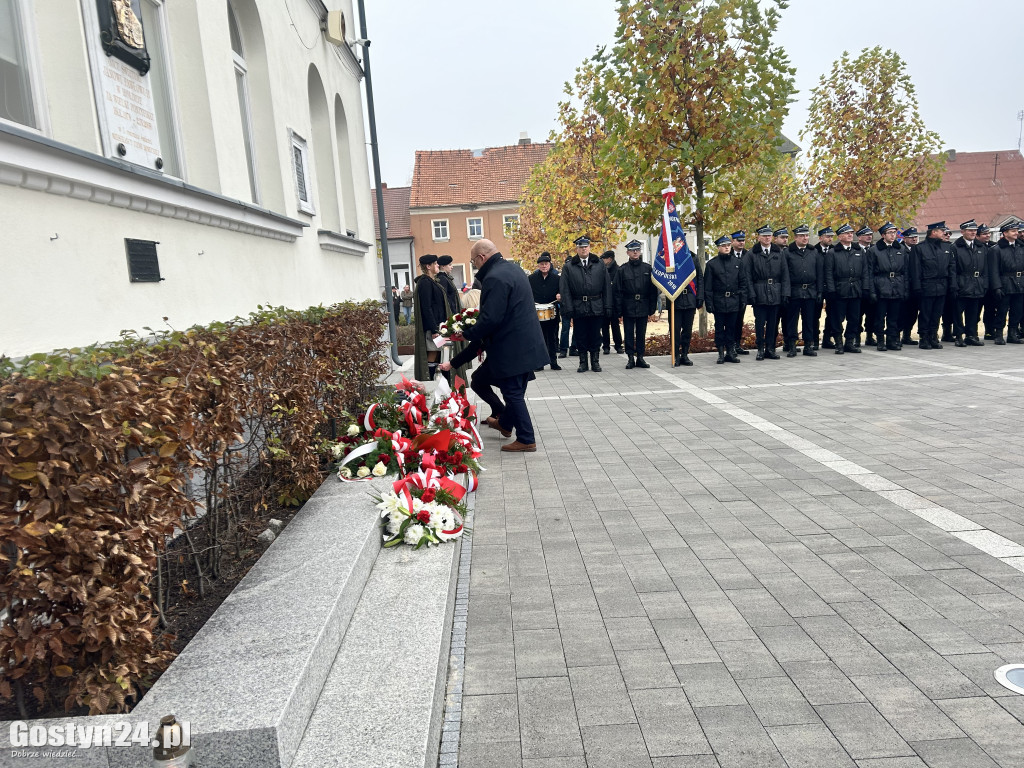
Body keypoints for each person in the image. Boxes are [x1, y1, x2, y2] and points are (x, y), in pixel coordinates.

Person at [453, 239, 548, 453]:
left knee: (512, 393)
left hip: (511, 346)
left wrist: (466, 334)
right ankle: (505, 424)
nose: (475, 266)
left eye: (473, 261)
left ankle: (526, 438)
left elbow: (490, 319)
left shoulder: (494, 278)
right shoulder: (514, 269)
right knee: (516, 390)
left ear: (482, 257)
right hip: (526, 342)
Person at [560, 236, 613, 373]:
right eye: (581, 247)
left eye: (586, 246)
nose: (584, 249)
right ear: (576, 249)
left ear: (590, 248)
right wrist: (568, 308)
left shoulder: (599, 264)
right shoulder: (569, 266)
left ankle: (595, 362)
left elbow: (607, 286)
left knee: (595, 335)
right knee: (580, 335)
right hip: (578, 306)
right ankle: (583, 362)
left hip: (596, 305)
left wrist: (608, 305)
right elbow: (565, 289)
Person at [743, 225, 789, 360]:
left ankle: (770, 348)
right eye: (764, 236)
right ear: (759, 238)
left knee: (773, 323)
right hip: (759, 292)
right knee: (760, 322)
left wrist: (785, 293)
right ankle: (760, 349)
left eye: (769, 235)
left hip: (775, 291)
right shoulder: (752, 254)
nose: (767, 238)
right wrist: (751, 294)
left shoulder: (778, 252)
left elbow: (785, 274)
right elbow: (747, 276)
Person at [824, 224, 869, 354]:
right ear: (839, 237)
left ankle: (850, 342)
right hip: (839, 290)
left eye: (851, 233)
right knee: (837, 318)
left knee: (854, 318)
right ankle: (839, 343)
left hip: (855, 289)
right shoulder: (833, 252)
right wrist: (831, 291)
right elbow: (829, 273)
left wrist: (865, 288)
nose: (850, 235)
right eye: (846, 233)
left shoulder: (858, 251)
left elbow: (865, 271)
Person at [615, 240, 659, 368]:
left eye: (637, 250)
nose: (635, 252)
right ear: (628, 252)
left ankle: (640, 357)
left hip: (643, 304)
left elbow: (653, 290)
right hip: (628, 305)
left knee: (641, 333)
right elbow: (617, 291)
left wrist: (652, 307)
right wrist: (618, 310)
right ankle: (630, 358)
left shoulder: (647, 268)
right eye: (633, 250)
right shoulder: (622, 270)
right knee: (628, 333)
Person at [912, 221, 956, 349]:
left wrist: (952, 285)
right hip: (927, 285)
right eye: (942, 231)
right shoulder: (920, 248)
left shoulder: (946, 247)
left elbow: (951, 268)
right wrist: (917, 287)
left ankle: (933, 336)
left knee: (937, 313)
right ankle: (924, 337)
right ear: (933, 232)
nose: (944, 233)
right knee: (925, 313)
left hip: (942, 285)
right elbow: (915, 269)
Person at [867, 222, 909, 351]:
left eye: (894, 232)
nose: (893, 235)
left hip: (897, 285)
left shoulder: (901, 249)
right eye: (890, 233)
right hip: (881, 286)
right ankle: (880, 340)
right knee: (880, 316)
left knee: (894, 316)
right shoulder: (874, 250)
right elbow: (869, 272)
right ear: (883, 235)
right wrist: (872, 291)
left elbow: (906, 271)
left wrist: (905, 288)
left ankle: (892, 339)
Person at [705, 235, 746, 364]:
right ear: (718, 247)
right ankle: (720, 353)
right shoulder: (712, 264)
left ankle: (730, 352)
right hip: (719, 301)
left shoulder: (738, 263)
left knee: (731, 328)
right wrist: (709, 303)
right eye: (724, 246)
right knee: (719, 328)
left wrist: (742, 300)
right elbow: (708, 286)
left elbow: (743, 283)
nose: (727, 247)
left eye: (728, 245)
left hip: (734, 300)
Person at [783, 225, 822, 357]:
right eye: (802, 236)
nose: (805, 238)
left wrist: (819, 291)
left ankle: (808, 345)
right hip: (794, 291)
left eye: (806, 235)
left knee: (809, 319)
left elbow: (819, 272)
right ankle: (792, 345)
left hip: (810, 290)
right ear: (795, 238)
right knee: (792, 320)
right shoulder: (787, 253)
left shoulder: (813, 252)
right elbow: (785, 275)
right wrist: (786, 292)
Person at [951, 220, 988, 347]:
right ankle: (958, 336)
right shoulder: (955, 247)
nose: (973, 232)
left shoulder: (981, 247)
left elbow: (986, 268)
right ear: (962, 232)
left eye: (974, 230)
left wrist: (985, 284)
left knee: (973, 312)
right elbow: (952, 269)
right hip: (962, 283)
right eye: (970, 230)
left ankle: (971, 335)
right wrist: (954, 285)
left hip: (977, 283)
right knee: (958, 313)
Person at [413, 255, 448, 381]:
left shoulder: (431, 281)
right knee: (433, 352)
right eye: (435, 263)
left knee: (439, 353)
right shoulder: (425, 283)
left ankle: (438, 380)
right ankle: (429, 380)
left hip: (438, 325)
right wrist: (434, 329)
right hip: (433, 328)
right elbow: (426, 307)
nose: (438, 265)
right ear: (428, 266)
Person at [990, 221, 1024, 345]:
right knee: (1002, 310)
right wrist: (997, 286)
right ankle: (998, 334)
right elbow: (993, 270)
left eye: (1017, 231)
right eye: (1013, 231)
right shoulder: (997, 249)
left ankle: (1012, 334)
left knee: (1017, 310)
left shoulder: (1020, 246)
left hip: (1020, 282)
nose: (1016, 233)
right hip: (1005, 282)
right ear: (1005, 233)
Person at [670, 247, 704, 367]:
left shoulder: (693, 258)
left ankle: (684, 354)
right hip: (676, 300)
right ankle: (676, 356)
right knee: (675, 330)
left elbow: (699, 278)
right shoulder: (670, 258)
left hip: (690, 299)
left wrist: (699, 297)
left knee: (687, 331)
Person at [528, 252, 562, 371]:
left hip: (552, 312)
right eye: (541, 264)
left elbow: (561, 291)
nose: (544, 266)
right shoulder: (531, 279)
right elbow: (527, 293)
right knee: (539, 338)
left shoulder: (557, 278)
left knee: (552, 338)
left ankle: (553, 362)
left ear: (550, 265)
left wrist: (559, 296)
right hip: (537, 312)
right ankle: (539, 363)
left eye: (546, 264)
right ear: (538, 266)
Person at [898, 227, 921, 346]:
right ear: (905, 238)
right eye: (911, 237)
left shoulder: (918, 250)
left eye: (915, 237)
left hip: (915, 287)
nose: (914, 239)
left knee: (913, 313)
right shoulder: (900, 249)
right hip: (903, 286)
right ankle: (897, 335)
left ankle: (907, 335)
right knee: (901, 312)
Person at [600, 250, 624, 354]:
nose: (602, 260)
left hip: (614, 302)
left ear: (609, 259)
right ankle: (606, 346)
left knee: (615, 325)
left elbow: (619, 288)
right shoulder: (602, 270)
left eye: (604, 259)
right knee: (604, 325)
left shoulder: (617, 270)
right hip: (604, 302)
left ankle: (618, 345)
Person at [730, 231, 750, 355]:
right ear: (733, 242)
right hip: (731, 294)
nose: (741, 242)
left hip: (742, 294)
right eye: (739, 240)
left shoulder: (748, 255)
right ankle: (729, 345)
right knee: (731, 321)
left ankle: (737, 344)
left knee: (739, 321)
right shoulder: (728, 254)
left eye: (743, 240)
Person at [815, 227, 836, 350]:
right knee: (815, 315)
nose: (830, 239)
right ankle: (815, 339)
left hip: (831, 287)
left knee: (832, 314)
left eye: (831, 236)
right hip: (818, 287)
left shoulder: (834, 250)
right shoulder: (814, 250)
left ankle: (827, 338)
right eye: (827, 236)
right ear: (820, 238)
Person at [856, 226, 876, 346]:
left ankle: (869, 335)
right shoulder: (855, 249)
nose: (869, 237)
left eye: (870, 235)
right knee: (857, 314)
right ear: (859, 237)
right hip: (859, 287)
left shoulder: (874, 249)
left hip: (872, 286)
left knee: (872, 313)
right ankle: (856, 336)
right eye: (866, 234)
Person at [978, 224, 998, 339]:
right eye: (985, 234)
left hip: (991, 284)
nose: (987, 236)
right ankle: (972, 331)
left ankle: (989, 331)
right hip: (979, 283)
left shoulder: (993, 246)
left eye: (988, 233)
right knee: (976, 310)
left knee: (990, 309)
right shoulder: (976, 247)